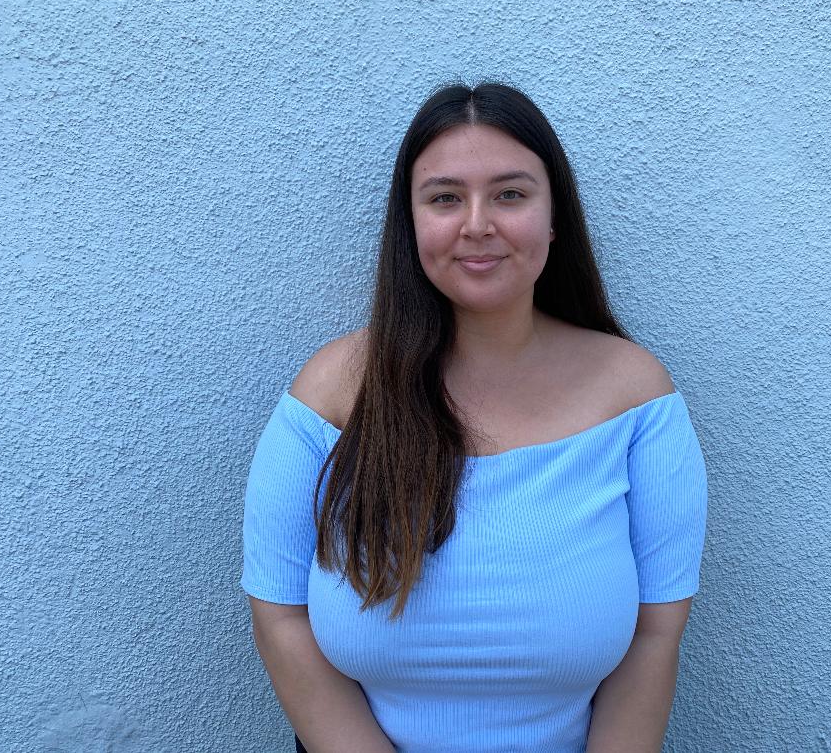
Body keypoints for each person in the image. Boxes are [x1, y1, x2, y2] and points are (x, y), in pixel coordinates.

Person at [241, 81, 709, 752]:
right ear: (411, 222)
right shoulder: (334, 394)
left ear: (555, 218)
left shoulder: (634, 396)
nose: (477, 223)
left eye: (511, 194)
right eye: (445, 198)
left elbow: (655, 635)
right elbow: (279, 616)